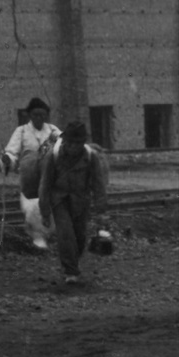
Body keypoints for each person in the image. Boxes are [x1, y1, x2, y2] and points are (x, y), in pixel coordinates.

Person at [38, 121, 108, 285]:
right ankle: (71, 271)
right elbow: (45, 185)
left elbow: (99, 185)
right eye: (70, 142)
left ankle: (72, 262)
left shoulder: (91, 157)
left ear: (83, 143)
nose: (73, 146)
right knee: (65, 234)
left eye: (78, 143)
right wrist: (45, 211)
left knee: (80, 236)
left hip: (81, 201)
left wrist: (101, 211)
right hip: (59, 200)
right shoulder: (53, 156)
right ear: (65, 141)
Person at [3, 97, 62, 250]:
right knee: (32, 206)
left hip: (50, 175)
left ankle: (53, 234)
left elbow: (64, 145)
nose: (39, 118)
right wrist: (8, 159)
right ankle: (38, 236)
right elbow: (12, 151)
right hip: (30, 176)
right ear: (29, 115)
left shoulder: (53, 131)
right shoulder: (21, 131)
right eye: (36, 115)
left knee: (54, 203)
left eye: (43, 115)